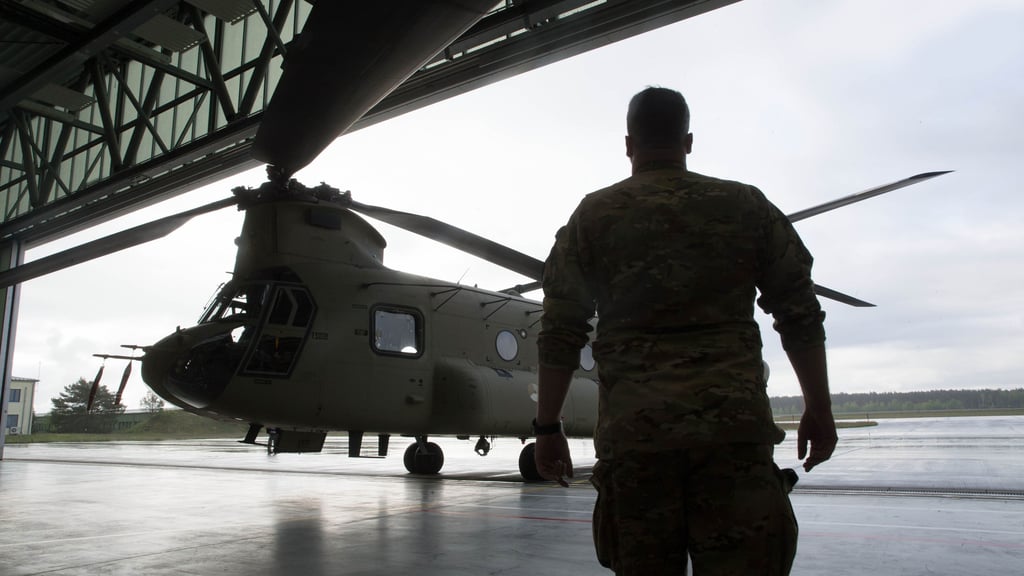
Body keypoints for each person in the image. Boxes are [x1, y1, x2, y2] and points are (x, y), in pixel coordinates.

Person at [533, 86, 837, 575]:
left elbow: (561, 330)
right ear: (688, 141)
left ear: (629, 144)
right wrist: (818, 408)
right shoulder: (746, 206)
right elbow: (799, 313)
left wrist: (548, 427)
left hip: (637, 445)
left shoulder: (593, 216)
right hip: (733, 440)